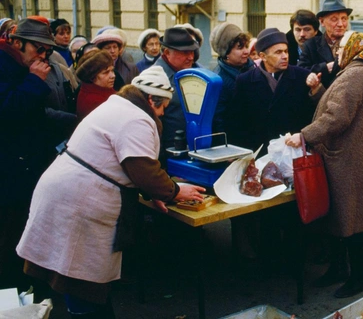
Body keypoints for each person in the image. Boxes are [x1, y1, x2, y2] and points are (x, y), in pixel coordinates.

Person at [17, 66, 206, 317]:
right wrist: (173, 191)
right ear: (151, 99)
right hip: (79, 200)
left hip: (64, 190)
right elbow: (143, 170)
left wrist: (157, 194)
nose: (161, 114)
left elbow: (125, 164)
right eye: (162, 107)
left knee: (72, 273)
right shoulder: (136, 117)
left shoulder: (116, 106)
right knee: (79, 276)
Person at [286, 31, 363, 299]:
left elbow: (337, 117)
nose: (337, 52)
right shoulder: (362, 71)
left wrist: (304, 135)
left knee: (350, 221)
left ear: (354, 48)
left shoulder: (355, 75)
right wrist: (318, 91)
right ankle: (340, 269)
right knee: (343, 219)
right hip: (348, 159)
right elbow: (338, 106)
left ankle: (357, 278)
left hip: (346, 162)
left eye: (341, 48)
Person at [0, 17, 54, 290]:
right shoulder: (3, 64)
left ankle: (22, 284)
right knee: (9, 233)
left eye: (47, 51)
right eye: (38, 48)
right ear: (16, 42)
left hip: (26, 163)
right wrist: (34, 80)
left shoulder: (18, 64)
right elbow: (8, 111)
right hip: (9, 168)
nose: (43, 56)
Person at [226, 27, 315, 154]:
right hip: (260, 155)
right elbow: (237, 123)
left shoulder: (302, 77)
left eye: (286, 51)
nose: (284, 56)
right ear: (263, 56)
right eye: (278, 52)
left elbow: (312, 116)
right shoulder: (245, 81)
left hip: (295, 154)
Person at [155, 27, 200, 162]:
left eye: (192, 52)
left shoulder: (190, 72)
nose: (191, 57)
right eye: (185, 53)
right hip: (168, 155)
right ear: (167, 53)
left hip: (191, 150)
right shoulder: (155, 79)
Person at [298, 0, 351, 88]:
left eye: (344, 19)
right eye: (334, 19)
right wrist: (325, 68)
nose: (340, 24)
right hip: (321, 99)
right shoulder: (311, 45)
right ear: (322, 21)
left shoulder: (356, 44)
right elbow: (300, 72)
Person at [210, 23, 253, 132]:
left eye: (246, 46)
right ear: (226, 52)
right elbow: (218, 120)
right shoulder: (219, 80)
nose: (246, 52)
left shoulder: (252, 68)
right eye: (240, 48)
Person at [75, 49, 117, 120]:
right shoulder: (92, 102)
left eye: (112, 70)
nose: (113, 76)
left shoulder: (104, 90)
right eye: (106, 72)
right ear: (92, 77)